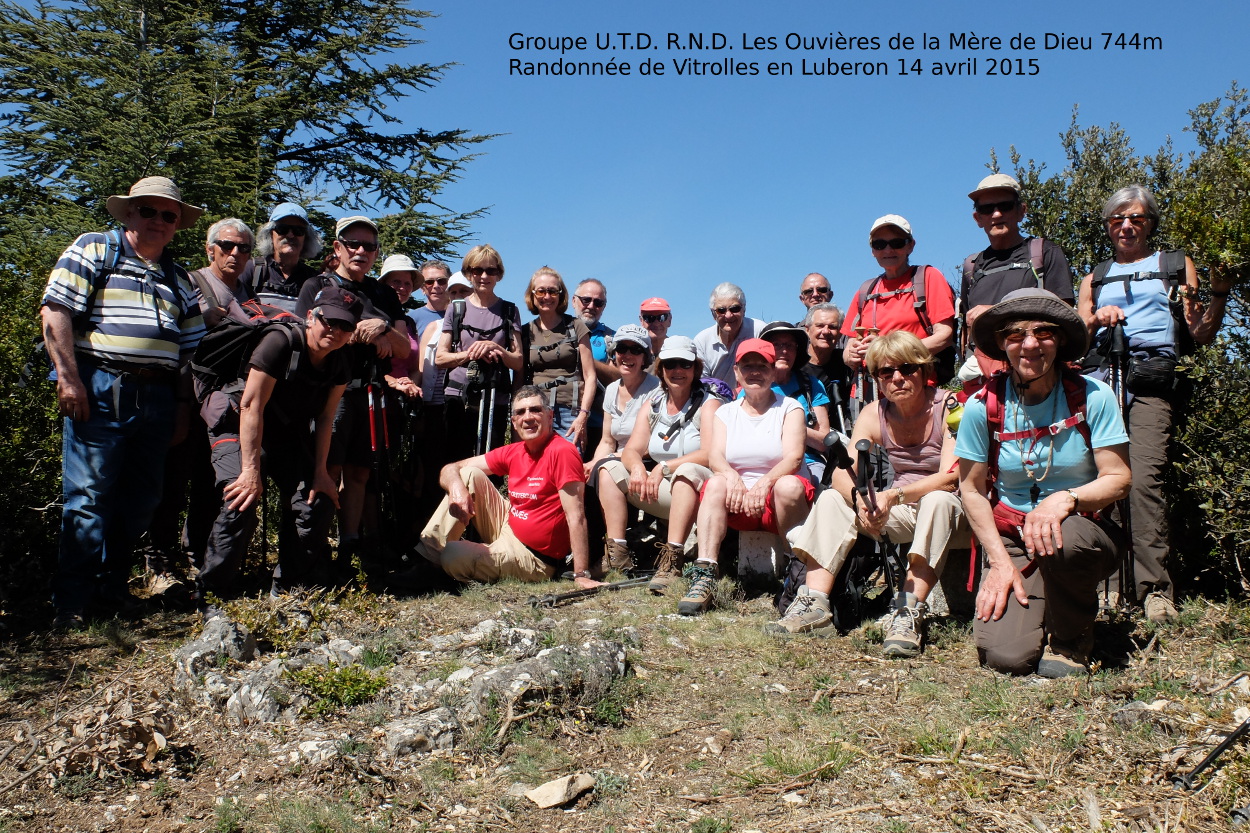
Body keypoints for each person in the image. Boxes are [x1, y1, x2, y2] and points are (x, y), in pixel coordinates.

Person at [41, 175, 206, 627]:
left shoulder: (178, 277)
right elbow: (56, 311)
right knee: (89, 495)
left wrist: (182, 409)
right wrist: (70, 380)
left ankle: (111, 591)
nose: (157, 220)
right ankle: (71, 603)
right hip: (100, 386)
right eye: (148, 210)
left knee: (142, 498)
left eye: (167, 215)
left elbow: (191, 351)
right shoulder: (96, 248)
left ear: (177, 224)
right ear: (129, 212)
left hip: (157, 396)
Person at [956, 289, 1130, 677]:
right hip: (1013, 533)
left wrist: (1065, 500)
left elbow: (1119, 479)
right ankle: (1044, 601)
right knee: (1006, 657)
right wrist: (1000, 563)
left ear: (1061, 340)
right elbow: (970, 489)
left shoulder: (1093, 396)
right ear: (1001, 344)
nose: (1030, 344)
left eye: (1044, 332)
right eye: (1015, 334)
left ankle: (1071, 641)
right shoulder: (981, 406)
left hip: (1081, 531)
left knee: (1062, 536)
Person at [1078, 184, 1231, 623]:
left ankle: (1154, 590)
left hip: (1150, 378)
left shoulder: (1173, 265)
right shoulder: (1096, 276)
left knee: (1145, 480)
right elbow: (1075, 339)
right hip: (1102, 380)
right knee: (1096, 478)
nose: (1127, 226)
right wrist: (1094, 318)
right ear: (1108, 227)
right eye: (1117, 219)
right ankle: (1104, 585)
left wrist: (1217, 292)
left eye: (1137, 218)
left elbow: (1198, 332)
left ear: (1150, 224)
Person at [770, 332, 969, 657]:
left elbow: (950, 478)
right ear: (876, 378)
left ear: (924, 369)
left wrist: (893, 496)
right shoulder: (874, 413)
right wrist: (862, 499)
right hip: (903, 509)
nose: (898, 378)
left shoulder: (948, 405)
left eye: (907, 369)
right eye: (886, 372)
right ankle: (814, 606)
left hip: (953, 513)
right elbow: (842, 472)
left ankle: (907, 611)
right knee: (835, 498)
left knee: (938, 499)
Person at [197, 286, 360, 616]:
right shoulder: (280, 342)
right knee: (240, 498)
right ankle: (212, 595)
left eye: (346, 326)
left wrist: (321, 474)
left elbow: (326, 416)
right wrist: (250, 471)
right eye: (330, 321)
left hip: (285, 432)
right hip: (237, 419)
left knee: (317, 499)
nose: (336, 331)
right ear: (312, 317)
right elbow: (250, 405)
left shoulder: (341, 361)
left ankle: (288, 586)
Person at [145, 218, 257, 582]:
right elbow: (167, 341)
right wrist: (179, 404)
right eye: (227, 245)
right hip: (186, 402)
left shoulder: (247, 294)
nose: (235, 253)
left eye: (244, 248)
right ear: (210, 249)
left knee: (210, 486)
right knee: (171, 485)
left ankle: (198, 561)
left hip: (225, 407)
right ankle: (158, 565)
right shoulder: (189, 284)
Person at [295, 216, 410, 559]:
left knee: (360, 472)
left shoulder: (383, 293)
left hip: (371, 392)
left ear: (376, 252)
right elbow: (305, 337)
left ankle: (349, 545)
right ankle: (314, 548)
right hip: (331, 392)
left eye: (369, 246)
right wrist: (358, 329)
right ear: (337, 247)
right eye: (353, 244)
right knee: (327, 469)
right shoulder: (316, 286)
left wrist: (382, 329)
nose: (361, 251)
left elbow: (403, 349)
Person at [414, 385, 600, 589]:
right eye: (520, 412)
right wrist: (457, 488)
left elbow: (576, 515)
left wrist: (581, 574)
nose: (527, 417)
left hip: (534, 557)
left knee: (452, 554)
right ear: (514, 421)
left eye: (535, 410)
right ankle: (429, 562)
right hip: (507, 525)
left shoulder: (562, 452)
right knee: (467, 474)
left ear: (549, 415)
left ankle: (453, 562)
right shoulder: (516, 450)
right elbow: (451, 468)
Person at [681, 338, 815, 615]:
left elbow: (794, 457)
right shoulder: (726, 412)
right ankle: (705, 573)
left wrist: (764, 484)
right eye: (747, 366)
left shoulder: (790, 408)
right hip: (737, 499)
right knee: (716, 482)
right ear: (738, 373)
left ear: (773, 370)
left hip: (776, 501)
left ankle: (797, 570)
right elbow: (715, 455)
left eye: (762, 366)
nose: (755, 372)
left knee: (789, 486)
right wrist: (732, 478)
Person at [601, 336, 722, 593]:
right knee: (607, 469)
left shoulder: (709, 404)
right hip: (661, 488)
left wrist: (664, 468)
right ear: (661, 369)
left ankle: (672, 561)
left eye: (685, 364)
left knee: (686, 472)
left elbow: (711, 453)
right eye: (670, 364)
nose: (677, 371)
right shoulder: (654, 404)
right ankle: (618, 555)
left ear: (695, 369)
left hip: (698, 491)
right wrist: (636, 468)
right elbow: (632, 448)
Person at [961, 174, 1074, 379]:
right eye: (986, 209)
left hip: (1037, 371)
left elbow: (1063, 315)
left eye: (1005, 206)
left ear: (1021, 211)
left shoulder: (1044, 252)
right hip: (983, 375)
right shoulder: (972, 265)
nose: (996, 214)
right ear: (978, 218)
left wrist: (994, 313)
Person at [843, 215, 957, 383]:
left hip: (915, 387)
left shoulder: (928, 278)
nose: (888, 250)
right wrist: (849, 355)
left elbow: (944, 336)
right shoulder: (866, 290)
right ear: (873, 250)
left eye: (896, 243)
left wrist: (885, 351)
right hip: (870, 393)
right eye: (879, 244)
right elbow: (849, 344)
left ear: (910, 245)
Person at [585, 325, 661, 571]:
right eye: (622, 349)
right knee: (584, 476)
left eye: (635, 350)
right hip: (614, 457)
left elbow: (654, 444)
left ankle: (613, 554)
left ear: (645, 356)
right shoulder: (610, 390)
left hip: (646, 460)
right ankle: (589, 551)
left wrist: (603, 461)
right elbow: (607, 439)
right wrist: (591, 464)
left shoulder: (657, 390)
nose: (627, 356)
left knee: (603, 472)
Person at [435, 244, 523, 458]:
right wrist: (471, 353)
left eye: (491, 271)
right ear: (468, 273)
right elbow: (440, 357)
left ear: (499, 275)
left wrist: (496, 348)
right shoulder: (456, 309)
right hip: (458, 398)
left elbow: (518, 361)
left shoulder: (509, 311)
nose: (484, 276)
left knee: (491, 463)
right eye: (477, 270)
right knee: (456, 460)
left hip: (495, 397)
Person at [413, 274, 474, 518]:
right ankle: (428, 534)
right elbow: (421, 368)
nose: (458, 297)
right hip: (434, 408)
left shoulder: (480, 327)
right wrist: (418, 407)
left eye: (464, 292)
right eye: (454, 292)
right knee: (432, 471)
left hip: (465, 408)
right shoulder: (434, 327)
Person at [520, 267, 597, 451]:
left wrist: (583, 415)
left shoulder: (575, 326)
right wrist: (518, 415)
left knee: (568, 470)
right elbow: (519, 379)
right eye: (541, 291)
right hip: (535, 412)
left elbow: (590, 376)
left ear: (560, 294)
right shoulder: (524, 332)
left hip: (570, 411)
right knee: (536, 472)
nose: (547, 296)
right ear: (532, 294)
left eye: (553, 291)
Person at [757, 322, 831, 482]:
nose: (784, 351)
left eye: (790, 345)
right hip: (762, 462)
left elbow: (824, 441)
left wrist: (788, 425)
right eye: (777, 345)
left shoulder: (812, 385)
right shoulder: (751, 387)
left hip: (809, 461)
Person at [572, 278, 618, 456]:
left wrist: (585, 358)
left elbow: (619, 377)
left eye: (598, 302)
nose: (591, 306)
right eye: (586, 300)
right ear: (574, 301)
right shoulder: (557, 333)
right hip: (561, 423)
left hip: (599, 425)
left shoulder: (612, 339)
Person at [250, 202, 324, 309]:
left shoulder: (315, 280)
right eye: (282, 229)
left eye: (298, 231)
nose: (290, 235)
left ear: (306, 238)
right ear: (271, 234)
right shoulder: (252, 270)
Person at [693, 283, 767, 385]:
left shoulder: (759, 331)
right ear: (713, 314)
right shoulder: (702, 341)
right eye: (721, 310)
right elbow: (703, 383)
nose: (728, 315)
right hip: (715, 398)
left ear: (744, 309)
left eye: (734, 308)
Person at [378, 254, 422, 401]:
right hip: (377, 397)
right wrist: (394, 382)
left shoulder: (410, 323)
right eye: (396, 282)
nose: (402, 288)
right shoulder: (373, 319)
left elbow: (415, 369)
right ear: (384, 283)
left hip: (403, 400)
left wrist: (410, 383)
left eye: (407, 283)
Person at [803, 302, 850, 431]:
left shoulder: (847, 363)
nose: (826, 331)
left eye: (832, 327)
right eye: (820, 326)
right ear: (807, 330)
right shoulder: (796, 366)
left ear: (840, 333)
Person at [409, 260, 454, 334]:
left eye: (441, 281)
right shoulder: (411, 319)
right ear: (422, 288)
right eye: (429, 282)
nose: (436, 286)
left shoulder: (463, 313)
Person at [639, 297, 672, 364]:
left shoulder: (679, 353)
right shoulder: (634, 356)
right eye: (649, 318)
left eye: (662, 317)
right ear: (641, 321)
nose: (656, 323)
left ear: (669, 320)